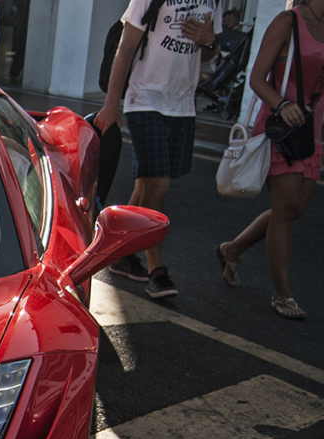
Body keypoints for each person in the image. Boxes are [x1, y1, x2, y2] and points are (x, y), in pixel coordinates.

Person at [94, 0, 220, 299]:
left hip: (182, 104)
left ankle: (122, 252)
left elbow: (209, 52)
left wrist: (209, 40)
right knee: (158, 185)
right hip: (145, 98)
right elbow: (125, 47)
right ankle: (157, 271)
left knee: (147, 186)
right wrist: (112, 104)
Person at [217, 0, 324, 320]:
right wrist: (281, 105)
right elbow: (257, 79)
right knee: (286, 210)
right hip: (282, 126)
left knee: (293, 210)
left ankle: (231, 250)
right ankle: (283, 294)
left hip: (312, 129)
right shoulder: (287, 22)